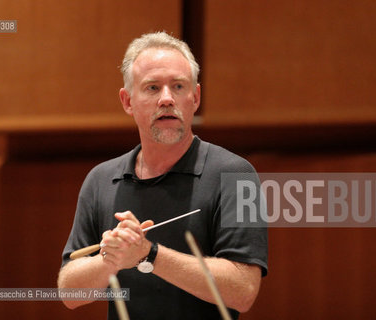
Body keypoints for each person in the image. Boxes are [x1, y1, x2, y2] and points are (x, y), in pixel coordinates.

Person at [58, 32, 268, 320]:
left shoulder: (236, 175)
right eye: (153, 88)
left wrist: (149, 254)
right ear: (128, 101)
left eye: (178, 86)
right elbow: (69, 292)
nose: (167, 99)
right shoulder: (101, 179)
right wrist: (112, 259)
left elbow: (243, 291)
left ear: (195, 97)